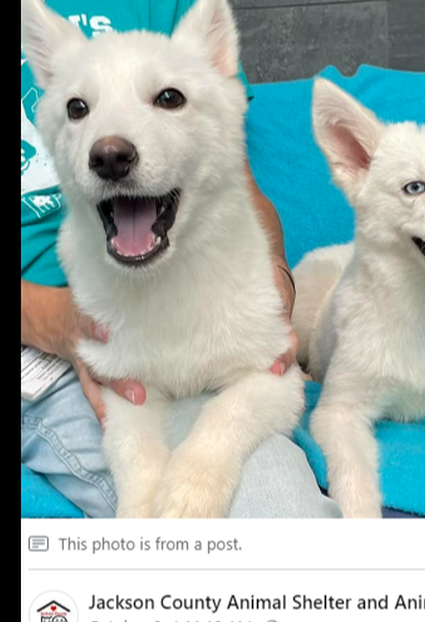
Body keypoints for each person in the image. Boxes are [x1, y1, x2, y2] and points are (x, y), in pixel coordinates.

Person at [20, 0, 339, 518]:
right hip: (42, 351)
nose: (109, 148)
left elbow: (229, 180)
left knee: (275, 506)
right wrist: (54, 321)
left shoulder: (179, 9)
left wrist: (274, 278)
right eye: (79, 109)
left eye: (165, 98)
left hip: (177, 320)